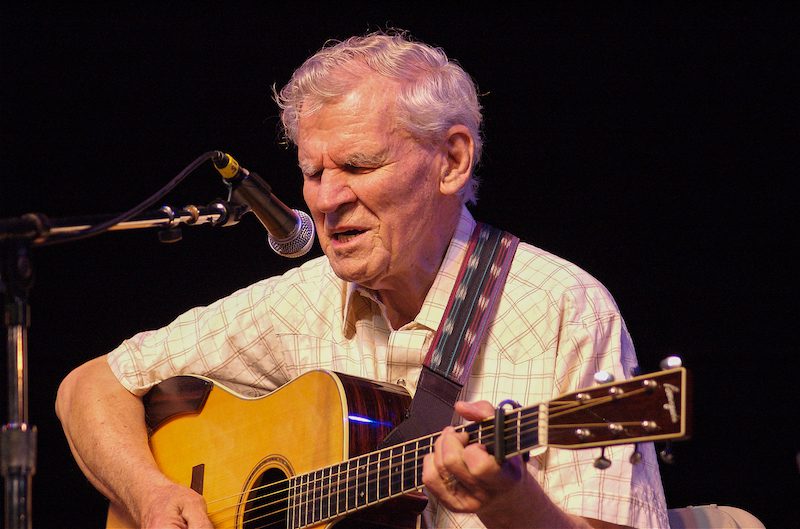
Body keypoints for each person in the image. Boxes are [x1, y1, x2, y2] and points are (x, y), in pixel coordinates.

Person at [56, 31, 669, 529]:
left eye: (358, 165)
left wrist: (510, 502)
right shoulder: (302, 299)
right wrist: (151, 495)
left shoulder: (565, 308)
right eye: (313, 171)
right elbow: (89, 386)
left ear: (451, 161)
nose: (327, 199)